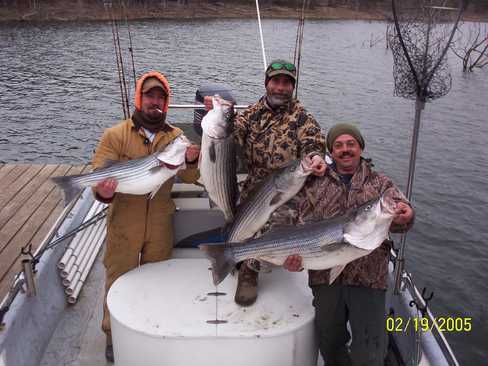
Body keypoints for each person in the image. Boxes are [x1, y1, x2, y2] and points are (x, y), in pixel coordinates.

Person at [282, 123, 415, 366]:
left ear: (360, 148)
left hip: (369, 278)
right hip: (325, 278)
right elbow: (297, 225)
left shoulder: (381, 185)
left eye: (351, 144)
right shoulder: (313, 184)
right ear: (331, 153)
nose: (345, 150)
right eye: (338, 145)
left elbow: (401, 219)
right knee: (330, 343)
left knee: (370, 350)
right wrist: (294, 261)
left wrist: (407, 216)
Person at [92, 71, 200, 363]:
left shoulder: (176, 137)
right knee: (117, 279)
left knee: (156, 279)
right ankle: (113, 334)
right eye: (150, 96)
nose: (155, 102)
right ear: (139, 98)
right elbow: (100, 185)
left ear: (167, 104)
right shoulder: (115, 135)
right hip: (123, 223)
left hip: (160, 221)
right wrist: (103, 191)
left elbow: (192, 176)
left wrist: (190, 160)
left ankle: (151, 330)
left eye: (161, 98)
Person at [205, 59, 327, 306]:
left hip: (289, 186)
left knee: (279, 218)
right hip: (256, 184)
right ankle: (246, 268)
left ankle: (254, 263)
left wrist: (316, 158)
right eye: (276, 81)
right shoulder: (251, 114)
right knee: (245, 217)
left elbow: (314, 142)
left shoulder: (302, 117)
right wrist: (216, 116)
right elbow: (230, 135)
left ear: (292, 87)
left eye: (286, 83)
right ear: (267, 83)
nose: (281, 88)